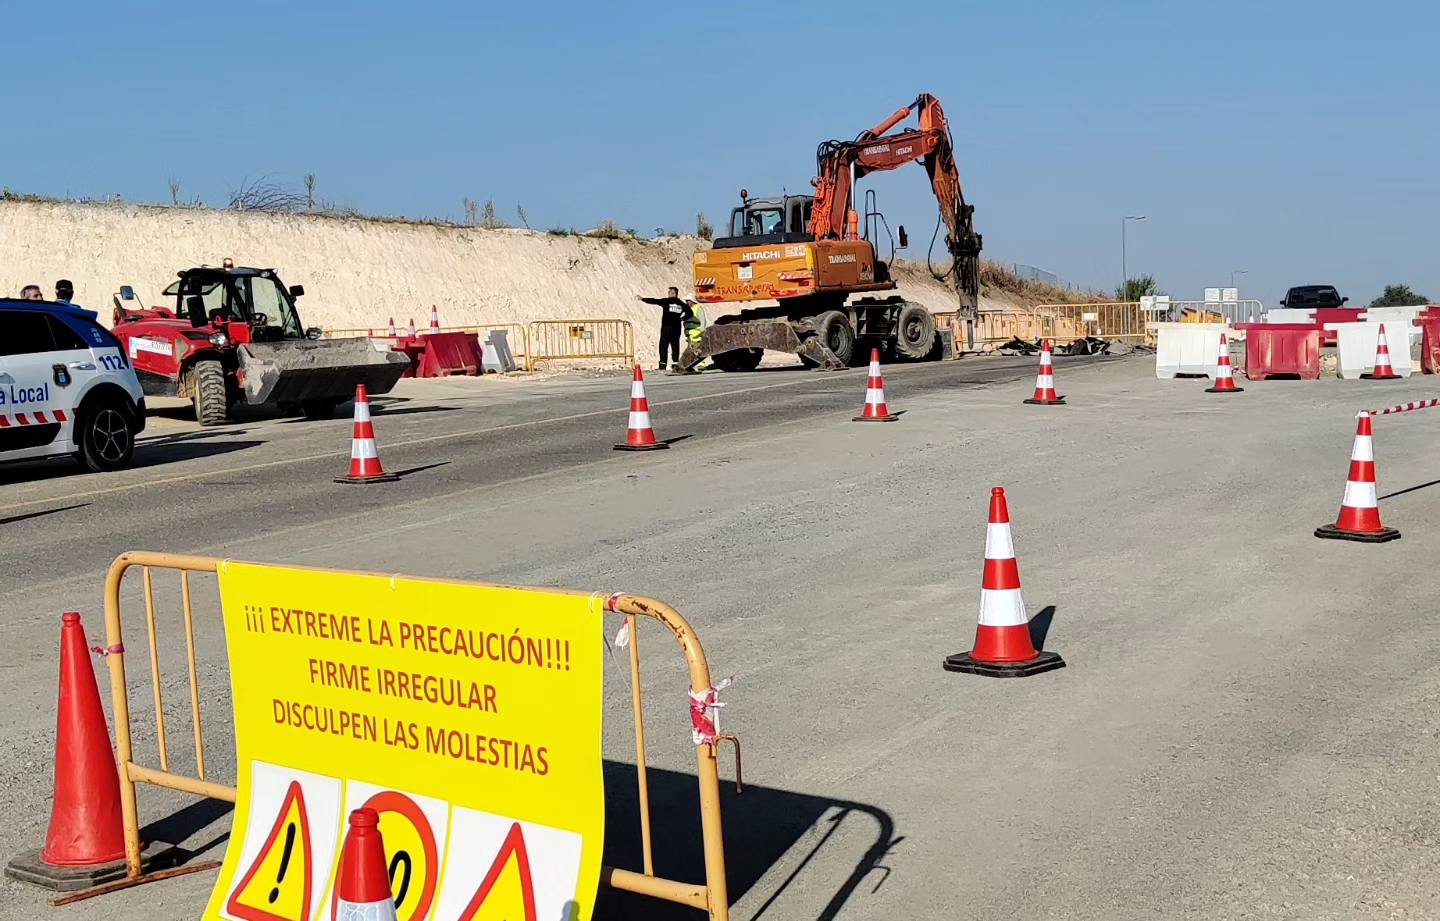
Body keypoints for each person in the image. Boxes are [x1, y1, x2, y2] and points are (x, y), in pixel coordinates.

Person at [636, 286, 693, 371]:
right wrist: (682, 318)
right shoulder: (681, 304)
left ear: (674, 293)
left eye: (670, 292)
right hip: (676, 328)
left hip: (666, 328)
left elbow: (655, 301)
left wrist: (642, 299)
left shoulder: (667, 301)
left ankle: (663, 365)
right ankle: (675, 364)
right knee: (675, 346)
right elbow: (690, 313)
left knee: (663, 346)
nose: (668, 294)